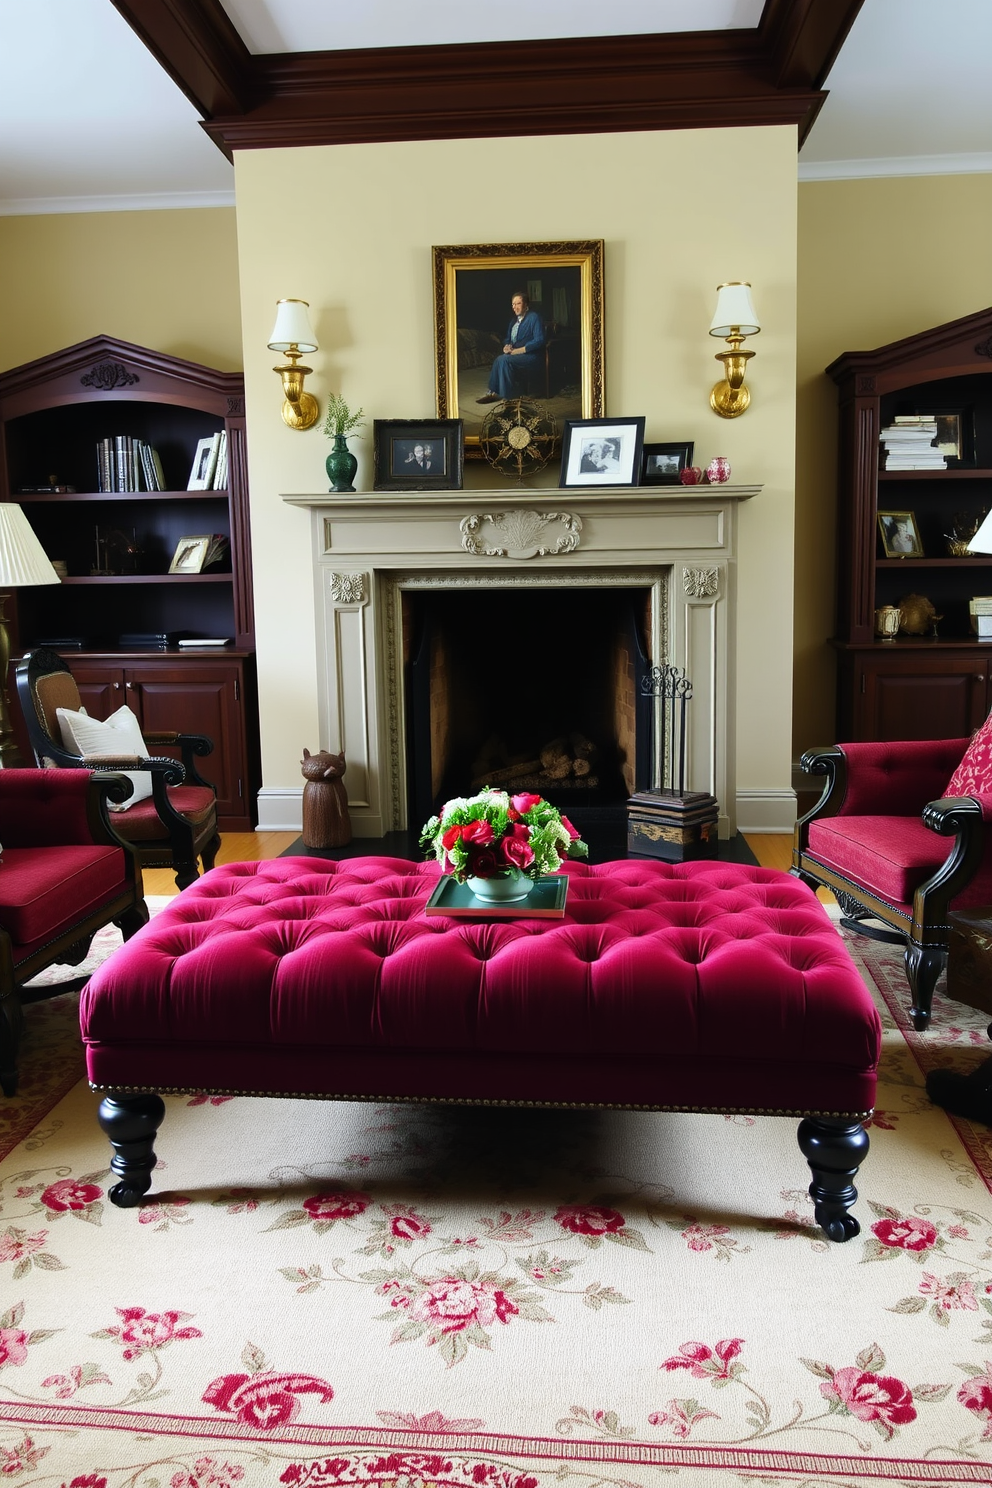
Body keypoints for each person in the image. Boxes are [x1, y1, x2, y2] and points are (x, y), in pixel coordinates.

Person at [476, 293, 545, 403]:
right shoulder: (514, 321)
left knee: (504, 360)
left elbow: (539, 340)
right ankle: (493, 392)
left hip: (532, 356)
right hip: (516, 355)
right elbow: (508, 338)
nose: (515, 307)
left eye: (518, 303)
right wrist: (507, 346)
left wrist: (518, 351)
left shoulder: (534, 317)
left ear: (526, 304)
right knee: (500, 359)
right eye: (513, 304)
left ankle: (508, 397)